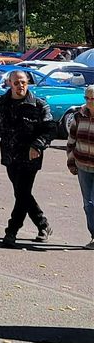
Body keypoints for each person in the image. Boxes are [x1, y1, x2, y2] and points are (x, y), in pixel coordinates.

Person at [0, 68, 53, 247]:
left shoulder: (38, 105)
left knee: (22, 193)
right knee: (22, 193)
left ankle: (11, 231)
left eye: (23, 82)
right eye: (16, 83)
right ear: (9, 84)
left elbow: (49, 129)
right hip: (9, 157)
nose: (20, 86)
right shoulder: (1, 103)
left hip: (31, 157)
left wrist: (37, 145)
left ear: (28, 83)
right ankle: (42, 224)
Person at [65, 82, 94, 247]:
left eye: (93, 99)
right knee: (88, 204)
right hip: (83, 165)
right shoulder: (78, 115)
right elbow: (71, 141)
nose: (90, 102)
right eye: (87, 98)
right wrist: (71, 161)